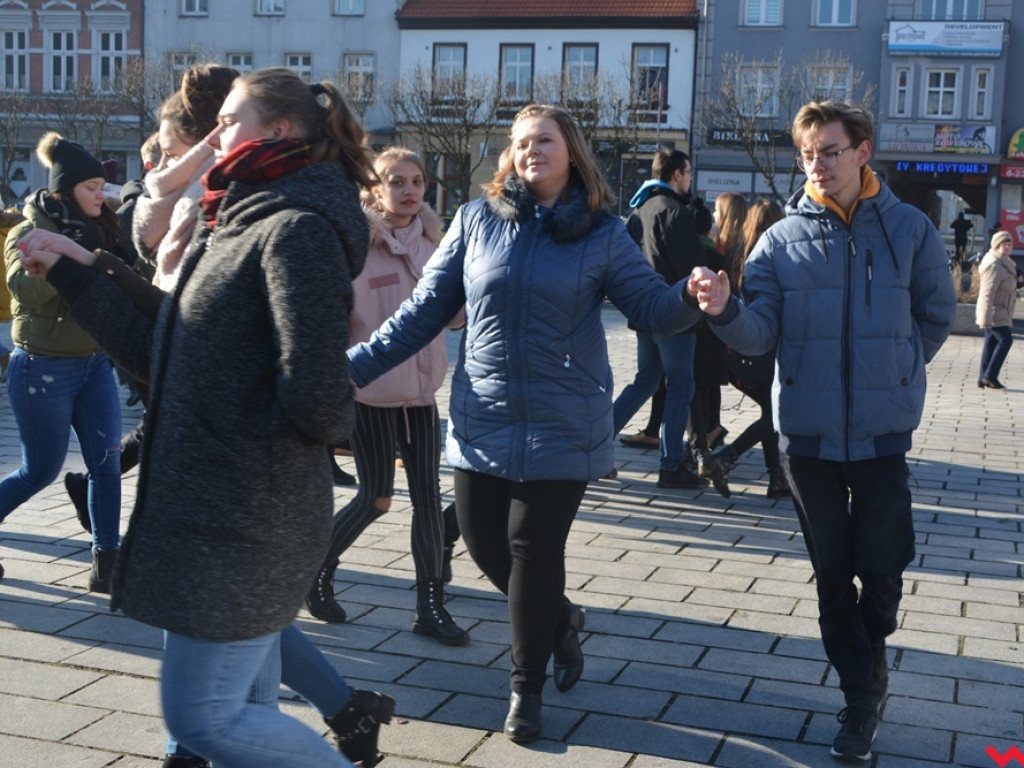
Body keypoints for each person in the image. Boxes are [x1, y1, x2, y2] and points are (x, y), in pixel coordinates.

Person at [18, 67, 391, 767]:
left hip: (244, 518)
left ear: (277, 131)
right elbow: (168, 357)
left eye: (231, 120)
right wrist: (70, 275)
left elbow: (318, 399)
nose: (216, 133)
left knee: (201, 716)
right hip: (214, 512)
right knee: (236, 716)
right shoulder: (240, 216)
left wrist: (241, 437)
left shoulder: (295, 228)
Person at [346, 104, 702, 743]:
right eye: (520, 142)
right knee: (483, 544)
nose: (530, 149)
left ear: (571, 152)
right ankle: (561, 622)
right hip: (484, 413)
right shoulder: (476, 219)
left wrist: (690, 297)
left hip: (565, 419)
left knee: (532, 552)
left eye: (544, 139)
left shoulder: (600, 231)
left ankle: (525, 690)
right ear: (509, 155)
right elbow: (424, 310)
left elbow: (650, 305)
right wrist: (352, 367)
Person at [690, 100, 956, 762]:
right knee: (833, 574)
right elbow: (762, 333)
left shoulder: (911, 230)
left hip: (881, 433)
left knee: (884, 567)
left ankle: (871, 656)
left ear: (862, 152)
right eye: (807, 154)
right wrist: (725, 311)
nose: (817, 164)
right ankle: (860, 699)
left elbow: (937, 312)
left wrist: (893, 370)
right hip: (806, 437)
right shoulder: (781, 240)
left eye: (829, 152)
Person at [305, 147, 470, 647]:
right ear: (375, 189)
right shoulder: (356, 244)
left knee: (427, 498)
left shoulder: (435, 244)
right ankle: (315, 571)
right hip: (369, 393)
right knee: (376, 497)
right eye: (396, 181)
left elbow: (455, 317)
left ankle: (430, 606)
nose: (409, 190)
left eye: (417, 180)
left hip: (421, 394)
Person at [1, 132, 125, 591]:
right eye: (92, 186)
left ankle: (107, 563)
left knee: (106, 463)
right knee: (41, 470)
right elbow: (26, 290)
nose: (101, 194)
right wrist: (65, 256)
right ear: (66, 188)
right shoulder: (26, 231)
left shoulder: (102, 229)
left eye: (101, 186)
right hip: (42, 368)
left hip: (95, 363)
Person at [612, 148, 707, 488]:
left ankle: (591, 446)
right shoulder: (674, 212)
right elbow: (693, 269)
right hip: (674, 315)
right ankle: (671, 466)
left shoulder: (640, 208)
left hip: (643, 312)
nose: (691, 179)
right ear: (676, 175)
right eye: (689, 172)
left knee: (645, 382)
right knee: (680, 387)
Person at [703, 198, 790, 499]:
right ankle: (725, 457)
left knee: (771, 410)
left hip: (736, 352)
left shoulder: (738, 255)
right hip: (762, 353)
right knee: (776, 412)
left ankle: (777, 479)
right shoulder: (776, 257)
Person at [686, 197, 731, 477]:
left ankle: (699, 446)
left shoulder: (690, 258)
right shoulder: (717, 255)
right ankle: (714, 431)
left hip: (693, 333)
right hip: (716, 334)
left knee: (693, 390)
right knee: (710, 386)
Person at [975, 229, 1016, 389]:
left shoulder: (1006, 263)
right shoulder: (995, 265)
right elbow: (987, 293)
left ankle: (982, 377)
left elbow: (1006, 287)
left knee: (991, 343)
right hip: (994, 311)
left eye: (1009, 244)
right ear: (996, 246)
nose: (1007, 247)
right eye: (1003, 244)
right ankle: (990, 376)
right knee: (1006, 340)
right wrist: (985, 318)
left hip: (1000, 310)